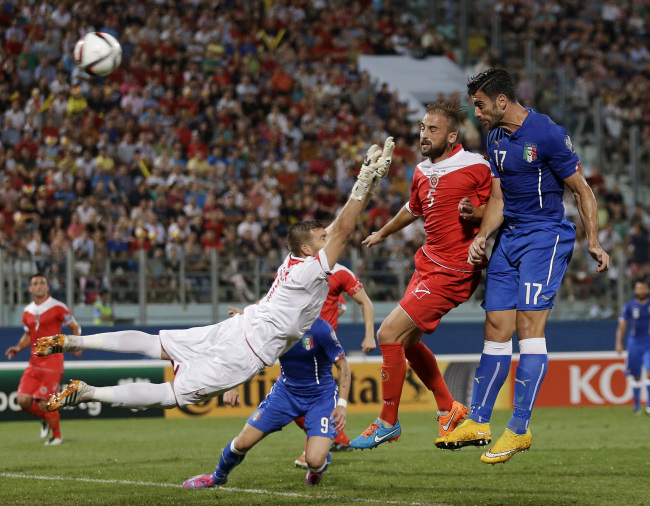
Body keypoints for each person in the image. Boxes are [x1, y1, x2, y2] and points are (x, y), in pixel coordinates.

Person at [34, 138, 394, 436]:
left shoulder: (295, 262)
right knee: (170, 395)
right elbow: (343, 230)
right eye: (319, 236)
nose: (326, 235)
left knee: (155, 344)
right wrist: (363, 182)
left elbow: (334, 228)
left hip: (238, 328)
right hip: (245, 350)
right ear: (307, 247)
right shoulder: (308, 271)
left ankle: (73, 342)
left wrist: (369, 183)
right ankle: (87, 393)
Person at [435, 68, 610, 464]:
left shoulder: (547, 133)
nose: (475, 113)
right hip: (509, 239)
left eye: (479, 105)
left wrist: (594, 241)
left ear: (501, 101)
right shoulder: (494, 137)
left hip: (545, 238)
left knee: (529, 327)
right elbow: (498, 197)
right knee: (496, 327)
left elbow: (582, 190)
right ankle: (479, 420)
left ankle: (518, 428)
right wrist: (482, 236)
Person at [349, 101, 492, 449]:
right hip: (427, 264)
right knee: (407, 342)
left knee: (388, 332)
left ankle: (388, 421)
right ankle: (448, 408)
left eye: (432, 129)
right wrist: (383, 232)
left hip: (454, 270)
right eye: (422, 128)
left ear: (452, 135)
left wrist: (477, 215)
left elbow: (498, 206)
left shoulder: (476, 165)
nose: (423, 135)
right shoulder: (421, 171)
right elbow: (413, 208)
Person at [183, 317, 350, 488]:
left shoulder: (320, 328)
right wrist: (232, 386)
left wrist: (341, 405)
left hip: (320, 397)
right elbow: (250, 359)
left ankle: (318, 467)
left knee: (314, 461)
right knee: (242, 443)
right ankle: (217, 477)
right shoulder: (274, 326)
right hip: (285, 394)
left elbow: (343, 366)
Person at [293, 264, 375, 465]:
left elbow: (355, 303)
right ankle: (334, 437)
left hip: (320, 345)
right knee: (297, 401)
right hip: (298, 343)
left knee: (300, 398)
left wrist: (369, 336)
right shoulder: (300, 268)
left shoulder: (340, 272)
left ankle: (317, 447)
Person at [4, 273, 82, 445]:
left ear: (47, 287)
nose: (38, 286)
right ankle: (46, 419)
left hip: (53, 363)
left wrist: (76, 345)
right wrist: (18, 347)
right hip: (34, 363)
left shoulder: (58, 307)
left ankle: (57, 436)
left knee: (45, 402)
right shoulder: (27, 312)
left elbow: (75, 326)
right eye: (35, 283)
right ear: (30, 288)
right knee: (23, 401)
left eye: (42, 283)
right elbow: (28, 335)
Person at [615, 280, 650, 415]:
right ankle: (636, 406)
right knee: (635, 376)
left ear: (646, 290)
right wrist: (619, 342)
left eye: (643, 288)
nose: (641, 291)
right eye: (638, 288)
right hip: (634, 344)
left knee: (649, 372)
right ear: (635, 291)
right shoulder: (630, 306)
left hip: (648, 343)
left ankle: (649, 405)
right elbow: (622, 325)